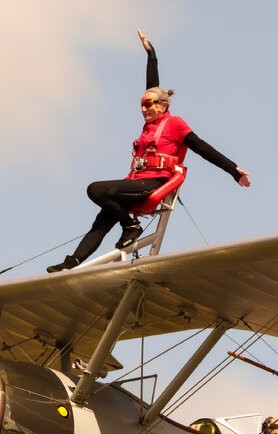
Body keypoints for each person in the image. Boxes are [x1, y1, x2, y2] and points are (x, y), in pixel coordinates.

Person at [48, 31, 252, 273]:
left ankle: (130, 227)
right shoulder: (149, 125)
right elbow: (152, 86)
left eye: (148, 104)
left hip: (154, 182)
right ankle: (72, 263)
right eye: (141, 105)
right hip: (135, 181)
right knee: (101, 220)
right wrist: (151, 55)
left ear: (163, 105)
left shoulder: (175, 124)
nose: (143, 109)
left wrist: (233, 170)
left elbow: (202, 148)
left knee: (96, 189)